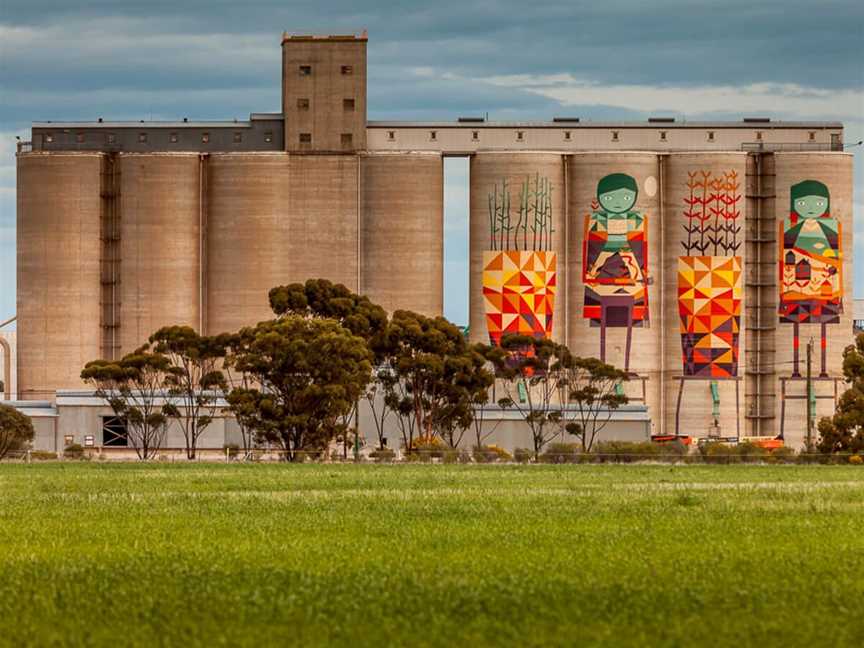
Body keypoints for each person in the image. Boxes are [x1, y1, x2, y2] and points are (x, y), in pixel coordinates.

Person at [583, 173, 649, 373]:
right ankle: (596, 274)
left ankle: (634, 276)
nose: (619, 203)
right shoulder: (598, 219)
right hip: (612, 247)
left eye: (626, 198)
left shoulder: (636, 218)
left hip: (623, 246)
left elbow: (642, 243)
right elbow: (588, 243)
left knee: (629, 261)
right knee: (605, 260)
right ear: (601, 198)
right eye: (610, 198)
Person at [779, 180, 841, 377]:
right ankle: (795, 369)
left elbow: (836, 260)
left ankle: (823, 369)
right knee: (796, 329)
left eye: (819, 203)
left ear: (827, 204)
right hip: (795, 289)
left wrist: (836, 286)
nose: (813, 208)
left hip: (824, 289)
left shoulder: (832, 229)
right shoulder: (789, 228)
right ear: (795, 203)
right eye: (804, 204)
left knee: (823, 328)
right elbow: (785, 257)